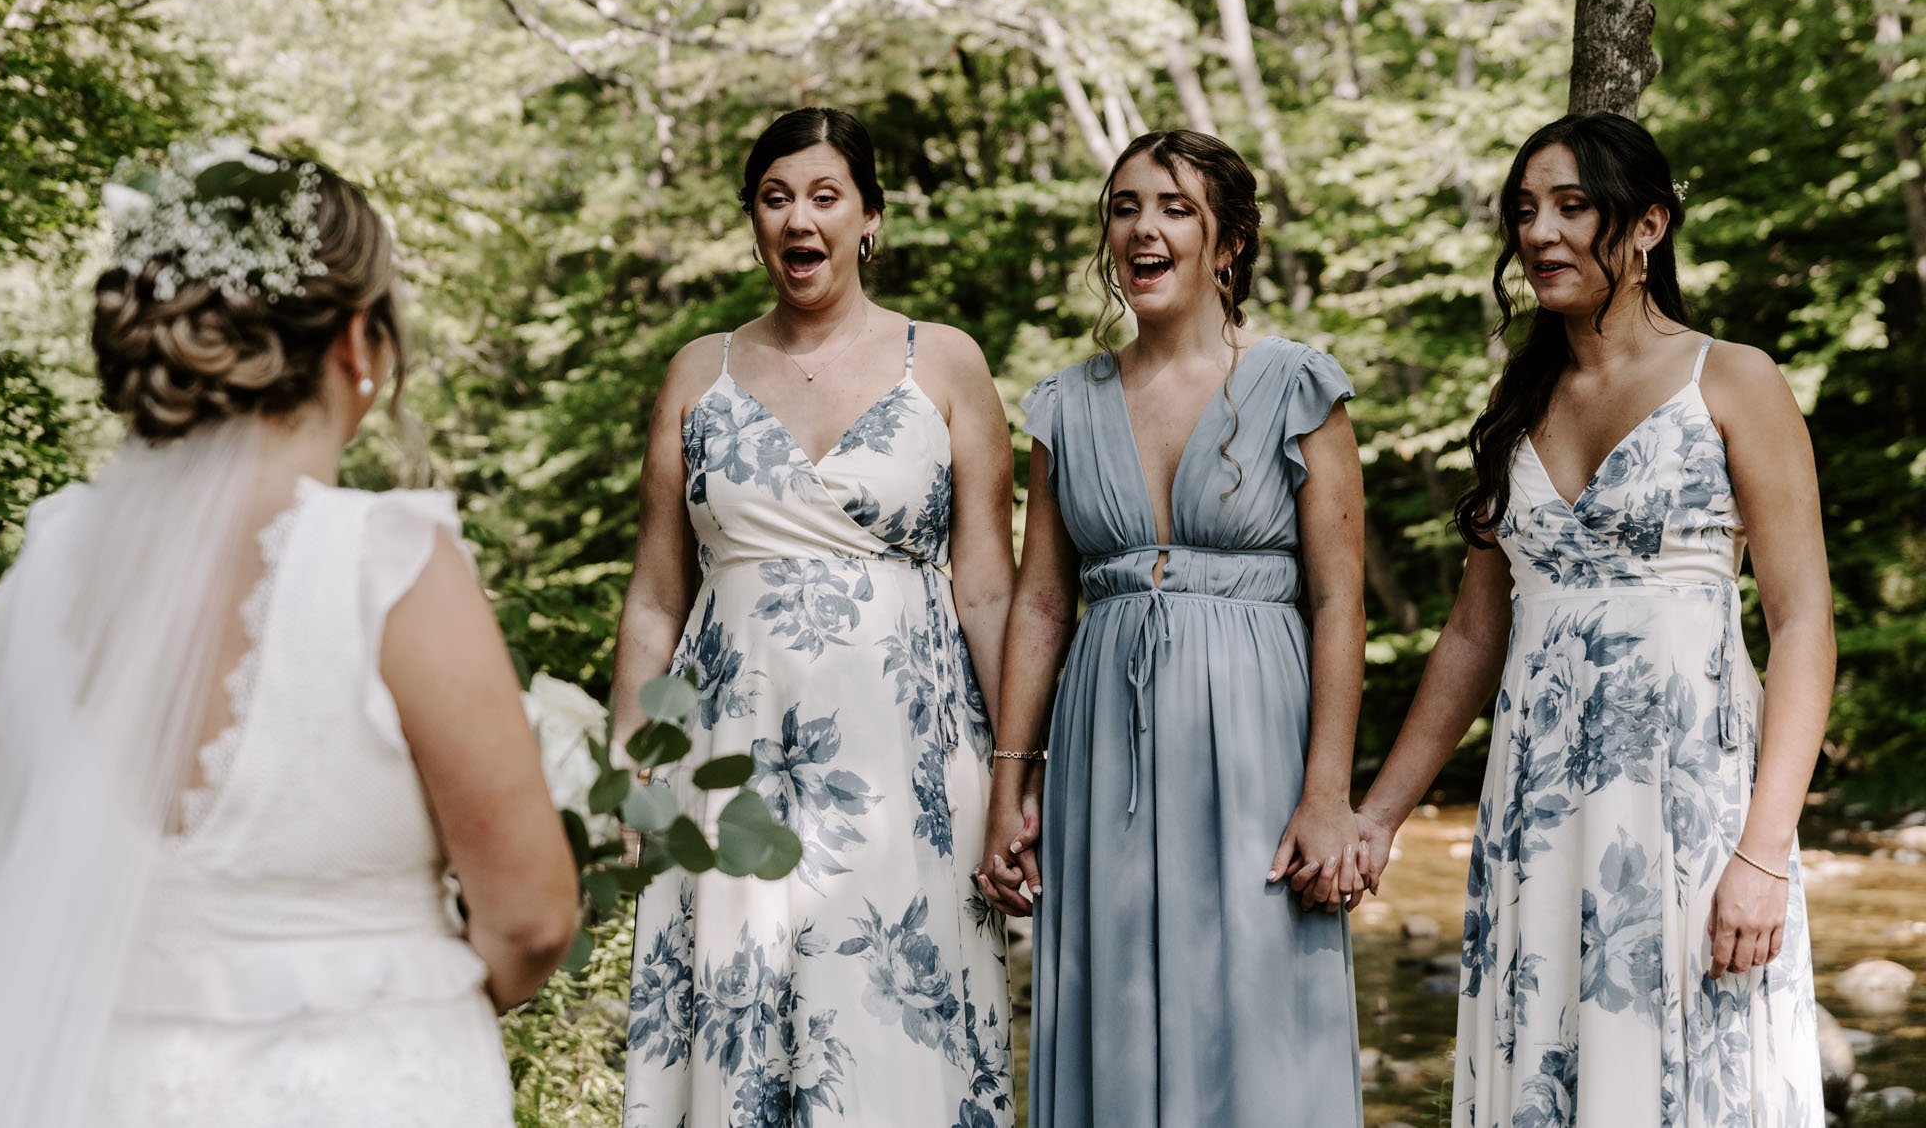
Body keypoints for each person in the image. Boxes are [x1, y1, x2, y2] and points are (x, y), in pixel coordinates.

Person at [0, 143, 578, 1127]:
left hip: (100, 1089)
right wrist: (405, 1002)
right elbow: (532, 919)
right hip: (366, 1089)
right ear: (359, 344)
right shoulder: (387, 563)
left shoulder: (52, 562)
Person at [1354, 113, 1829, 1125]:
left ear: (1648, 224)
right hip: (1536, 813)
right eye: (1525, 210)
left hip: (1690, 810)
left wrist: (1760, 853)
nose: (1539, 233)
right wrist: (1378, 818)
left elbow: (1801, 626)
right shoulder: (1520, 400)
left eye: (1572, 207)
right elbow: (1472, 635)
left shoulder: (1731, 379)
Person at [615, 108, 1017, 1125]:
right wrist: (628, 768)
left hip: (909, 761)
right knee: (740, 1012)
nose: (799, 219)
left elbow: (988, 588)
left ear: (869, 218)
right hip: (727, 752)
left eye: (825, 196)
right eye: (775, 197)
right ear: (754, 219)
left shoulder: (946, 364)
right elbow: (657, 595)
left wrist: (1021, 775)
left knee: (890, 1033)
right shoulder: (696, 374)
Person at [979, 129, 1368, 1127]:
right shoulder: (1063, 406)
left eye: (1174, 208)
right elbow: (1040, 602)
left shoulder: (1298, 387)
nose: (1142, 229)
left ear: (1227, 243)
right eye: (1124, 207)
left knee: (1254, 1007)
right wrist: (1009, 786)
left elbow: (1337, 601)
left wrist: (1327, 795)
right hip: (1101, 749)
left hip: (1255, 740)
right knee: (1109, 997)